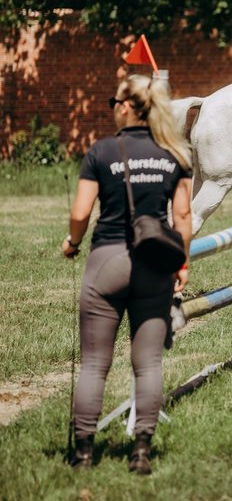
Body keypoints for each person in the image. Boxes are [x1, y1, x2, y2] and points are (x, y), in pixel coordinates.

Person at [62, 74, 193, 475]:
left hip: (107, 260)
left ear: (124, 107)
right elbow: (183, 216)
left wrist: (72, 242)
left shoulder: (102, 151)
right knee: (148, 363)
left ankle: (84, 453)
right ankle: (141, 452)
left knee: (94, 363)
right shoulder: (175, 154)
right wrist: (183, 263)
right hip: (154, 264)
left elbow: (81, 212)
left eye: (112, 103)